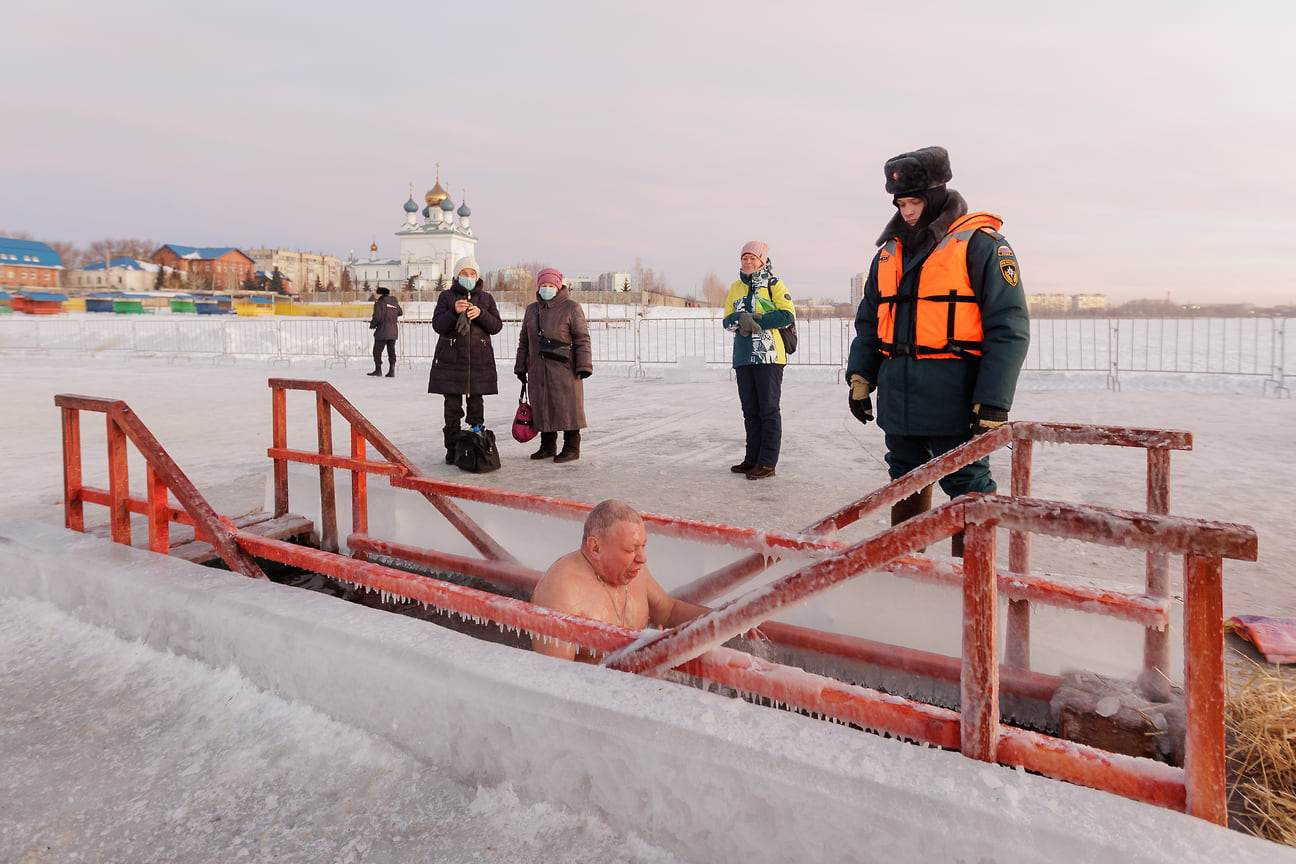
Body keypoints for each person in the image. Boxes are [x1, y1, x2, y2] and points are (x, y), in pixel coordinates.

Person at [845, 146, 1029, 552]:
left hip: (955, 393)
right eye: (901, 203)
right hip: (899, 392)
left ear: (937, 195)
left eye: (914, 202)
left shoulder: (981, 245)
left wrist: (994, 402)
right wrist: (861, 375)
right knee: (905, 480)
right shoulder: (888, 253)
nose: (907, 211)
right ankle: (907, 565)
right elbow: (870, 320)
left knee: (967, 485)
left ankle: (972, 573)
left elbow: (1009, 326)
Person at [530, 500, 706, 663]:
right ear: (595, 548)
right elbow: (557, 678)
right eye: (631, 549)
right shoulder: (562, 591)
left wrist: (726, 621)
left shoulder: (634, 570)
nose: (642, 558)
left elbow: (669, 613)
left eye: (643, 546)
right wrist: (642, 661)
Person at [722, 241, 796, 480]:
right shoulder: (735, 288)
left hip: (769, 355)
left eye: (753, 258)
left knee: (768, 410)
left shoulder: (774, 284)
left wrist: (754, 320)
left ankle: (767, 462)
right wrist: (740, 319)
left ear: (763, 260)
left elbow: (786, 315)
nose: (748, 262)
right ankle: (751, 458)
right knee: (750, 411)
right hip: (744, 357)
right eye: (744, 258)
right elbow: (726, 321)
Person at [427, 257, 503, 464]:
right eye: (464, 273)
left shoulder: (486, 299)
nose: (468, 277)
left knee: (476, 407)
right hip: (450, 362)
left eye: (472, 273)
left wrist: (481, 314)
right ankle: (452, 449)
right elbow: (439, 325)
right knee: (452, 409)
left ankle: (476, 446)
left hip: (478, 362)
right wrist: (454, 311)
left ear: (478, 276)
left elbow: (496, 326)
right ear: (457, 275)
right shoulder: (446, 297)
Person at [515, 268, 592, 464]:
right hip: (537, 368)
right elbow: (524, 340)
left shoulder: (571, 307)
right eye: (543, 286)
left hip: (565, 368)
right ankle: (547, 446)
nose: (547, 289)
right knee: (542, 405)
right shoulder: (532, 310)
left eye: (551, 286)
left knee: (567, 406)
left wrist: (584, 364)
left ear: (558, 287)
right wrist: (520, 366)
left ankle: (572, 447)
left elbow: (582, 338)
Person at [367, 287, 403, 377]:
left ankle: (378, 370)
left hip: (382, 331)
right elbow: (400, 312)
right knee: (391, 351)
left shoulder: (379, 303)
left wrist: (372, 324)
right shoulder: (394, 302)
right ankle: (392, 370)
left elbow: (377, 317)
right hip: (393, 331)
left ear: (380, 294)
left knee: (377, 351)